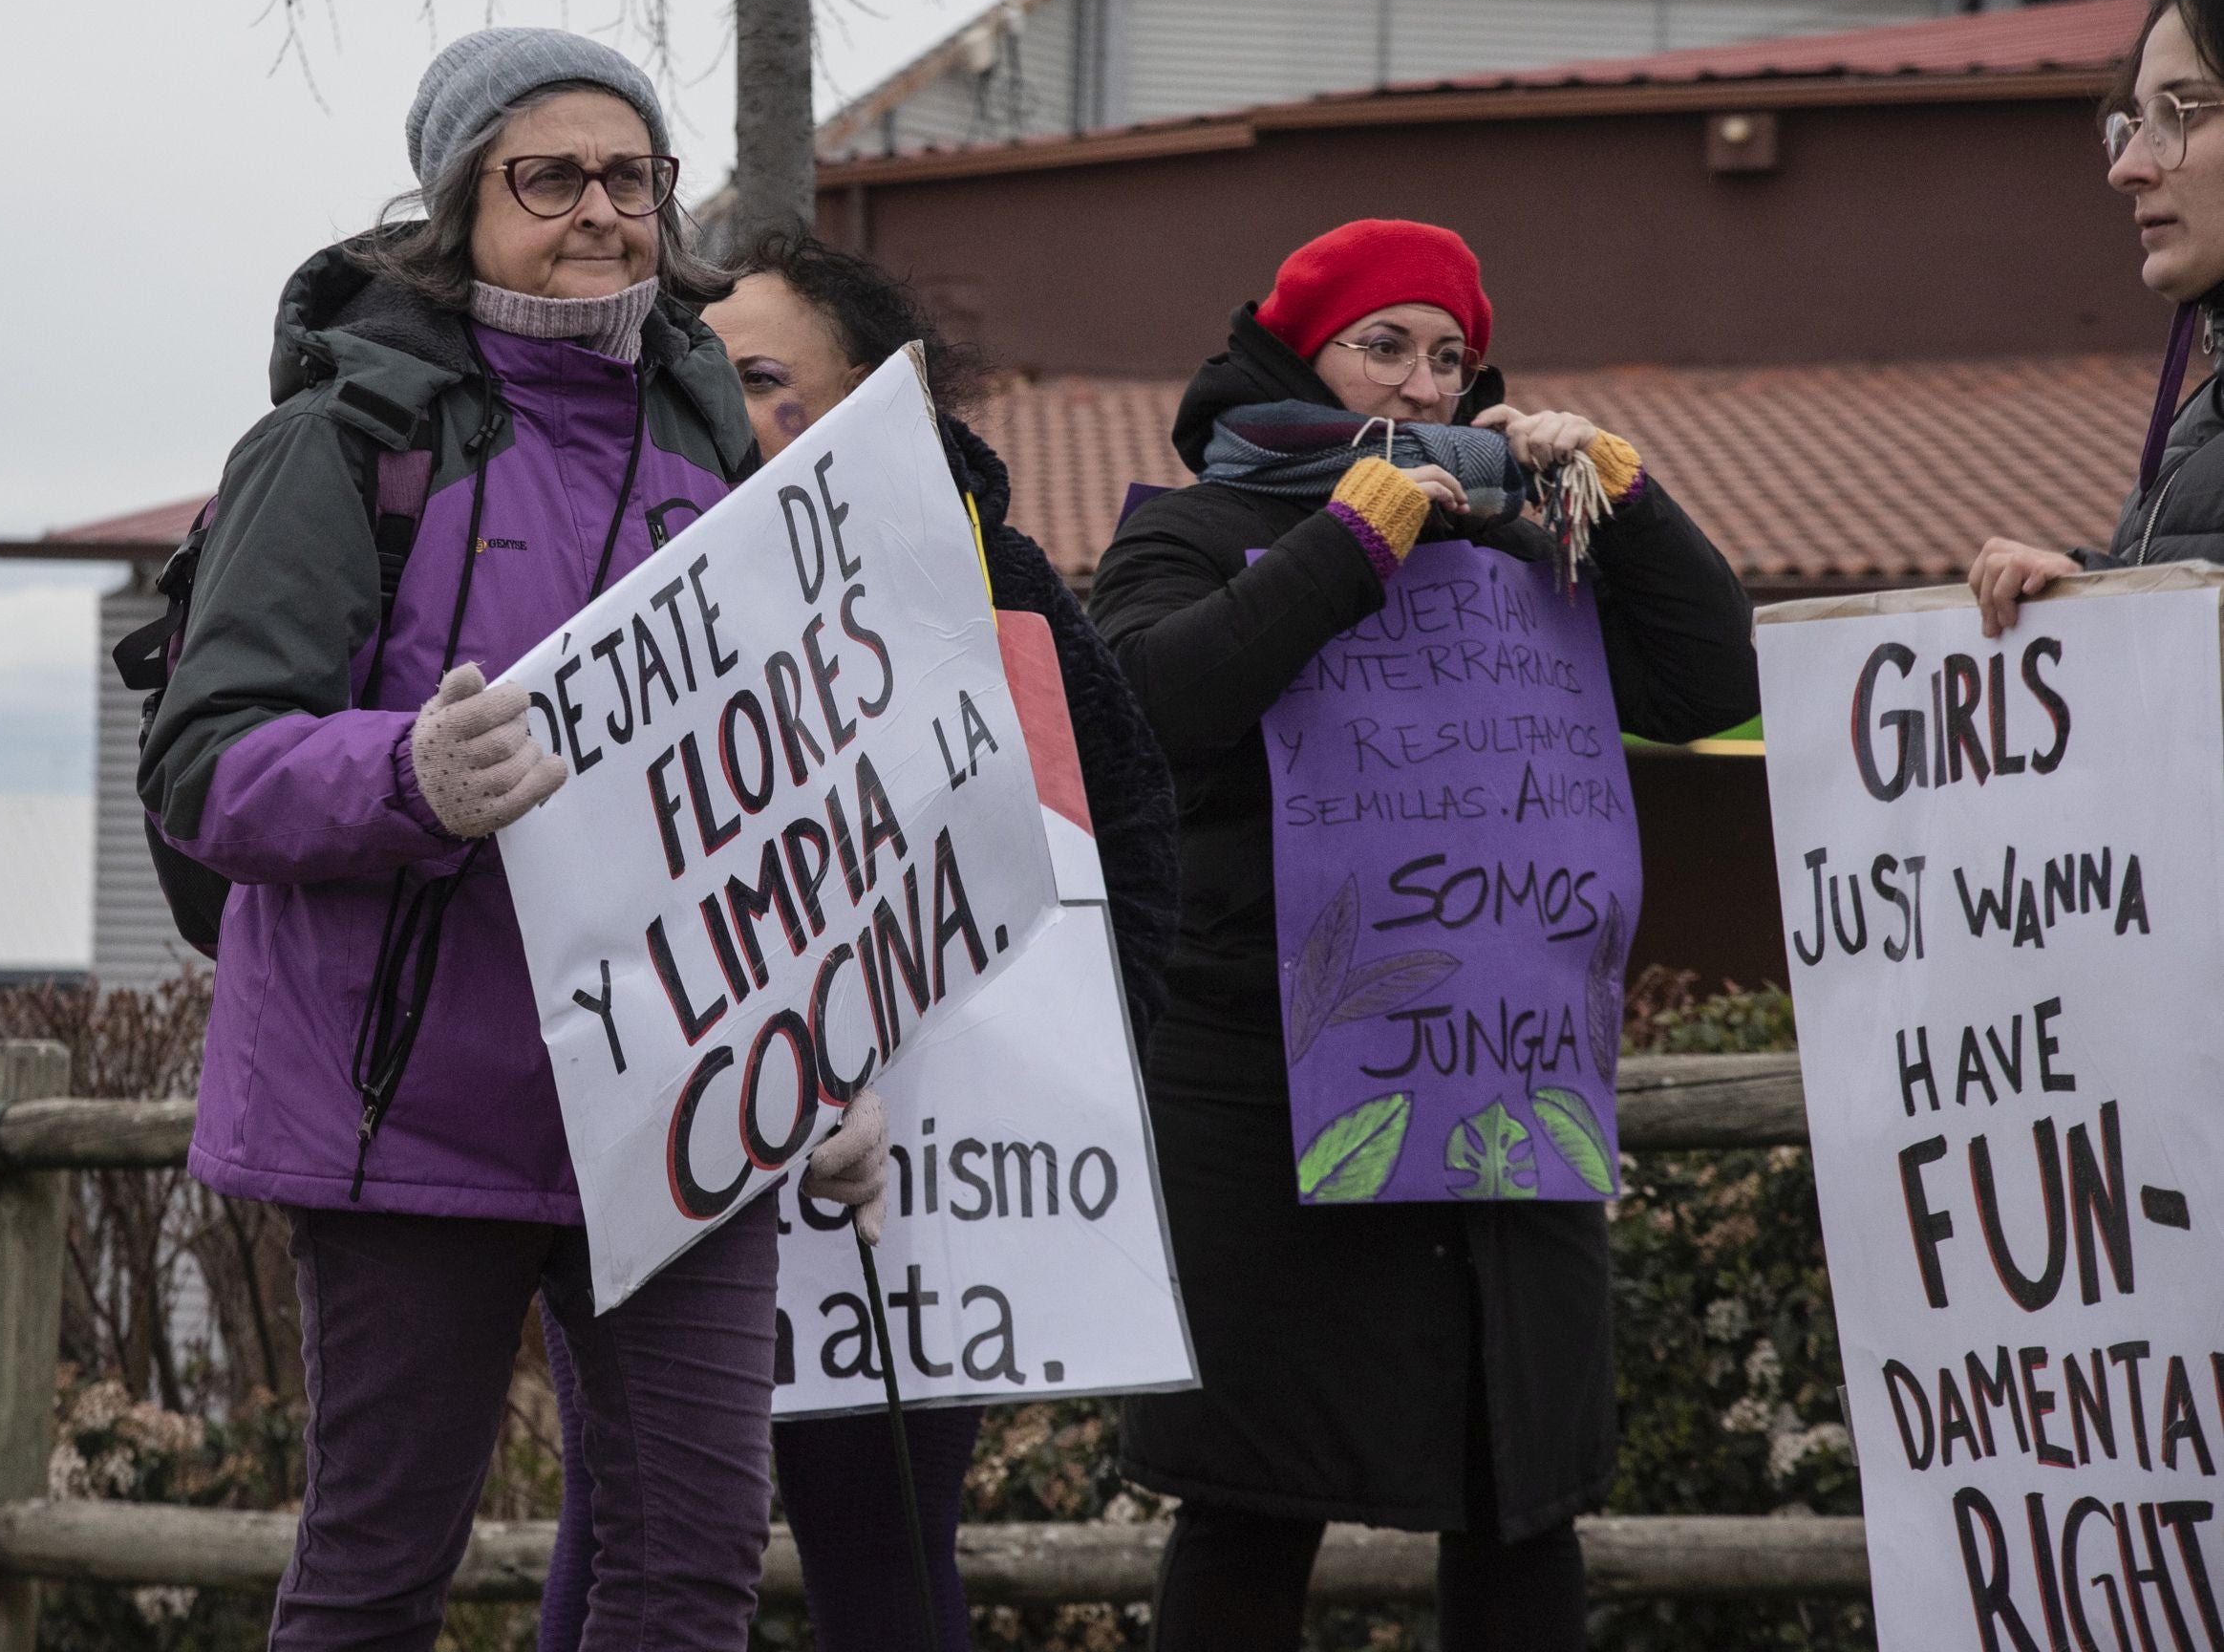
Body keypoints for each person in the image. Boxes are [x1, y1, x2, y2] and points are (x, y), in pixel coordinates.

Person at [139, 29, 887, 1652]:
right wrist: (404, 773)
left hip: (679, 1102)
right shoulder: (336, 445)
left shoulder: (717, 453)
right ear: (459, 204)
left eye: (630, 175)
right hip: (411, 1108)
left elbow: (778, 793)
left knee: (691, 1574)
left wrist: (815, 1048)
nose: (599, 212)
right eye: (546, 176)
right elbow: (209, 765)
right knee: (377, 1574)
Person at [1084, 219, 1758, 1650]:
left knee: (1520, 1498)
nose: (1424, 384)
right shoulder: (1190, 528)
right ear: (1295, 355)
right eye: (1381, 346)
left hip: (1496, 1090)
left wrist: (1626, 503)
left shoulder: (1525, 542)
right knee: (1247, 1502)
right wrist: (1346, 547)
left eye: (1451, 354)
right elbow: (1146, 716)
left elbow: (1708, 683)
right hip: (1270, 1108)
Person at [533, 233, 1182, 1652]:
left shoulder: (992, 580)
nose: (722, 406)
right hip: (665, 1156)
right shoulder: (608, 574)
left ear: (868, 402)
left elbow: (1121, 843)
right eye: (698, 372)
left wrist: (1083, 1069)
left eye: (761, 377)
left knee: (886, 1538)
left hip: (936, 1167)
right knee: (629, 1524)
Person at [1971, 0, 2224, 634]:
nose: (2128, 169)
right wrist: (2085, 601)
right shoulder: (2197, 428)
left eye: (2181, 112)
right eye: (2133, 126)